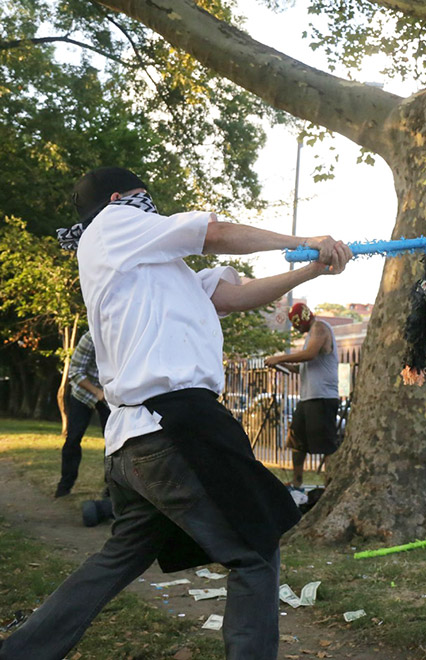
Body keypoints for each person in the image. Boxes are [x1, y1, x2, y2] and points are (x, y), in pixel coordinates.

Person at [0, 166, 352, 660]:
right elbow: (214, 233)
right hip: (174, 426)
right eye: (145, 199)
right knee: (254, 549)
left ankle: (21, 652)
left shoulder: (154, 268)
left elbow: (233, 294)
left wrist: (312, 268)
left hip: (136, 440)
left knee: (117, 558)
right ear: (121, 198)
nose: (153, 209)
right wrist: (304, 238)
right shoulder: (112, 224)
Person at [265, 303, 340, 488]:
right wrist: (281, 366)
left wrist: (280, 357)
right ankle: (297, 482)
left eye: (296, 323)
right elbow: (303, 367)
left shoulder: (320, 328)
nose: (296, 327)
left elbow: (310, 354)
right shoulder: (310, 335)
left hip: (322, 397)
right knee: (297, 441)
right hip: (307, 398)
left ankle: (331, 484)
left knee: (326, 444)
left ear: (304, 317)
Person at [54, 330, 110, 498]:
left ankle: (111, 490)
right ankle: (64, 487)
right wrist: (97, 392)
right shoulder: (91, 338)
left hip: (109, 396)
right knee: (73, 438)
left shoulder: (122, 339)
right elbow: (76, 372)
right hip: (84, 393)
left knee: (114, 442)